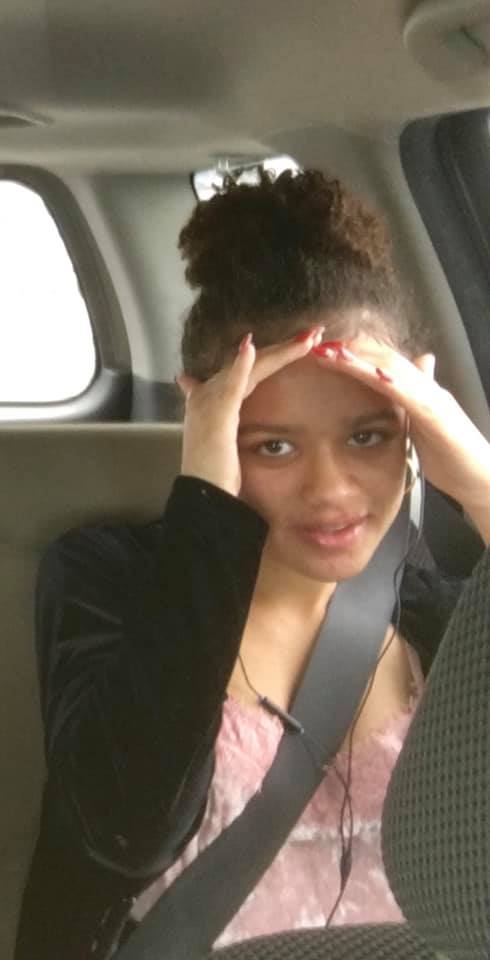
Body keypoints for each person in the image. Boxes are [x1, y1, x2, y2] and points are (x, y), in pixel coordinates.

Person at [15, 170, 490, 960]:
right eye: (272, 446)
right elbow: (126, 829)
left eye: (367, 436)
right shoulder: (108, 577)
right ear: (207, 418)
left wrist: (480, 484)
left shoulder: (436, 606)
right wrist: (206, 501)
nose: (330, 491)